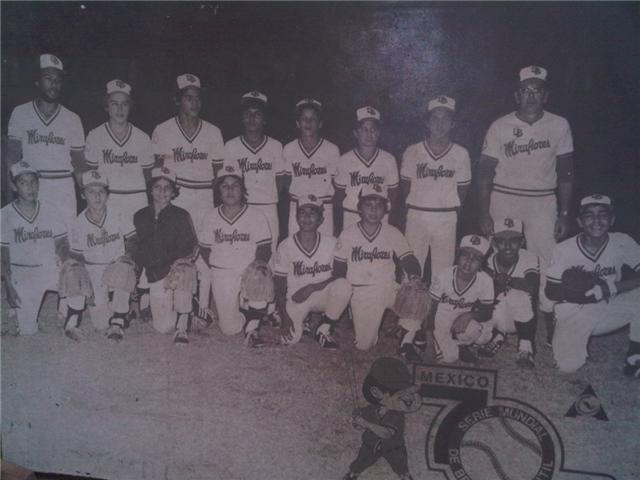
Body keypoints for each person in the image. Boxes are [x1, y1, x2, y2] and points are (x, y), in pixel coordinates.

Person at [477, 65, 574, 338]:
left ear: (546, 96)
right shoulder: (500, 125)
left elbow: (566, 174)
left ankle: (550, 315)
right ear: (516, 95)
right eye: (525, 91)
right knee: (498, 256)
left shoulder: (560, 125)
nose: (531, 96)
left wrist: (565, 213)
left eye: (537, 90)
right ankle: (495, 314)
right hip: (505, 197)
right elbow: (484, 174)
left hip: (542, 201)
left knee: (547, 259)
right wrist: (483, 212)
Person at [151, 73, 224, 325]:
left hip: (203, 199)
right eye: (188, 98)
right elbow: (157, 172)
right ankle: (176, 300)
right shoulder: (163, 130)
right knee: (174, 252)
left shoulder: (213, 132)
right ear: (177, 100)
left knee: (204, 253)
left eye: (197, 98)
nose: (194, 103)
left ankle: (202, 306)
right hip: (177, 199)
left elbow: (218, 174)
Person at [545, 195, 640, 376]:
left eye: (602, 214)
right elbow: (551, 291)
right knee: (567, 366)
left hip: (610, 306)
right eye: (589, 215)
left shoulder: (622, 241)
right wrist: (579, 291)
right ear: (579, 222)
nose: (596, 220)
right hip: (576, 311)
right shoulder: (564, 249)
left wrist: (612, 288)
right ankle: (559, 329)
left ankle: (635, 357)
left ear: (612, 220)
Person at [334, 184, 421, 353]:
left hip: (388, 287)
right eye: (368, 204)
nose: (373, 210)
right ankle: (359, 318)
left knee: (416, 298)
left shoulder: (392, 232)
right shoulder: (348, 233)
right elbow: (338, 269)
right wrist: (346, 297)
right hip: (362, 291)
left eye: (379, 205)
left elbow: (409, 259)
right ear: (359, 208)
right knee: (364, 345)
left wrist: (415, 277)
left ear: (385, 209)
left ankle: (406, 342)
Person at [0, 161, 82, 336]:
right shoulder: (5, 215)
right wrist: (8, 285)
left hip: (49, 268)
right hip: (23, 274)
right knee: (27, 331)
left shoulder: (50, 210)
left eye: (33, 182)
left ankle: (72, 315)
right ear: (14, 186)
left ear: (38, 184)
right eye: (23, 182)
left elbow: (62, 244)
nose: (30, 187)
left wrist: (69, 266)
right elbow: (3, 255)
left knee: (77, 272)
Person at [6, 54, 85, 230]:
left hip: (63, 188)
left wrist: (87, 188)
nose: (54, 84)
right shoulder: (20, 113)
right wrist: (12, 188)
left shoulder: (73, 119)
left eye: (58, 80)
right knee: (33, 237)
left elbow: (79, 161)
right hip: (32, 186)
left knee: (65, 239)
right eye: (48, 78)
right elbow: (12, 155)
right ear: (37, 81)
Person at [198, 164, 273, 347]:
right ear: (218, 191)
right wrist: (217, 269)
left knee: (260, 275)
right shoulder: (210, 216)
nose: (230, 190)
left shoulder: (256, 215)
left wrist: (256, 267)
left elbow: (265, 248)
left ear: (243, 189)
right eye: (225, 186)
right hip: (222, 272)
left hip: (249, 270)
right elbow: (205, 249)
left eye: (235, 185)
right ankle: (246, 309)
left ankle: (253, 327)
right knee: (229, 329)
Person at [400, 95, 471, 283]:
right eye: (435, 119)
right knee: (411, 269)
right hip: (417, 215)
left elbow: (463, 189)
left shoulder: (461, 153)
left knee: (444, 272)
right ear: (427, 122)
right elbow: (405, 187)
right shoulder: (413, 151)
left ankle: (439, 304)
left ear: (453, 124)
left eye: (445, 119)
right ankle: (408, 303)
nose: (440, 124)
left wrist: (449, 208)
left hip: (446, 217)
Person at [272, 194, 352, 348]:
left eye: (312, 213)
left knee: (344, 286)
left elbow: (340, 275)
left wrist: (312, 287)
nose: (307, 217)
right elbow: (279, 285)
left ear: (321, 219)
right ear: (296, 217)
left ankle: (324, 329)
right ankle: (303, 321)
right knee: (291, 339)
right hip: (296, 297)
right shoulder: (286, 245)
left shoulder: (332, 242)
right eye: (302, 213)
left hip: (323, 294)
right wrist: (284, 316)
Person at [133, 167, 198, 344]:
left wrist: (182, 262)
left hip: (175, 270)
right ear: (150, 190)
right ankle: (188, 305)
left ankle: (183, 323)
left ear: (173, 192)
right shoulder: (140, 216)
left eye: (167, 187)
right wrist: (136, 271)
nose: (162, 192)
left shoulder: (181, 215)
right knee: (162, 327)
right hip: (155, 274)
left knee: (184, 271)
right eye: (157, 187)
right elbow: (139, 248)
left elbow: (192, 245)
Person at [69, 170, 137, 342]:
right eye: (91, 191)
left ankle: (119, 319)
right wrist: (86, 286)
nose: (97, 196)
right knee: (100, 324)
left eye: (101, 191)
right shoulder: (77, 223)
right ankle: (124, 311)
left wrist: (128, 255)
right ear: (83, 195)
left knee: (123, 267)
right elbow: (77, 258)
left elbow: (133, 238)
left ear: (107, 195)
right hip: (93, 269)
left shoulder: (117, 214)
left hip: (116, 265)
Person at [219, 91, 287, 252]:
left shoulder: (276, 146)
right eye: (248, 114)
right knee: (242, 252)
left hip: (268, 208)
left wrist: (266, 195)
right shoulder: (231, 146)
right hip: (241, 207)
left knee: (269, 254)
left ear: (265, 119)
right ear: (242, 118)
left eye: (257, 114)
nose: (252, 118)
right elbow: (227, 181)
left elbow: (281, 180)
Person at [83, 79, 153, 223]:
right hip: (108, 201)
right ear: (107, 106)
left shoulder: (143, 137)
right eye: (114, 104)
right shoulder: (95, 136)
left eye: (124, 104)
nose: (120, 109)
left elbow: (148, 175)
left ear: (130, 107)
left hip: (136, 201)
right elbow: (90, 174)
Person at [343, 357, 421, 480]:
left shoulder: (396, 415)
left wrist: (365, 423)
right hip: (370, 446)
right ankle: (352, 476)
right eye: (400, 395)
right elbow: (358, 425)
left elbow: (386, 434)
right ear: (376, 392)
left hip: (393, 448)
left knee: (401, 469)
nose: (408, 399)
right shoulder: (370, 409)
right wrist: (356, 421)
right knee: (359, 464)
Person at [478, 217, 540, 368]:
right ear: (494, 242)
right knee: (477, 338)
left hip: (520, 319)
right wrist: (496, 283)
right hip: (496, 313)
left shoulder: (529, 257)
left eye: (514, 240)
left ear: (522, 242)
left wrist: (508, 281)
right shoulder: (489, 260)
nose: (507, 246)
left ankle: (526, 346)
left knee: (518, 294)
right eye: (501, 241)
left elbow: (532, 286)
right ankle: (498, 336)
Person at [428, 235, 495, 364]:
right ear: (458, 256)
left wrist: (469, 315)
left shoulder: (485, 281)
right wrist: (429, 337)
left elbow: (487, 312)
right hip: (439, 320)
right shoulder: (444, 275)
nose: (469, 262)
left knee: (481, 334)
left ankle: (458, 344)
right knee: (449, 358)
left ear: (482, 263)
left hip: (461, 319)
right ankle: (450, 345)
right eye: (465, 255)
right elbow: (430, 308)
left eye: (476, 258)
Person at [334, 106, 400, 235]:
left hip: (379, 217)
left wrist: (384, 211)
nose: (369, 134)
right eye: (364, 129)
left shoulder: (388, 159)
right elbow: (339, 195)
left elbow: (393, 193)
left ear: (379, 133)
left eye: (373, 129)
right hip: (352, 215)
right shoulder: (345, 159)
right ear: (356, 133)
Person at [282, 98, 340, 237]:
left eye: (312, 119)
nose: (308, 123)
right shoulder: (289, 149)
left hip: (324, 206)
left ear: (320, 123)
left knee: (325, 247)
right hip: (298, 207)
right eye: (304, 119)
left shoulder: (332, 149)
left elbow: (336, 184)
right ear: (298, 123)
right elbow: (286, 182)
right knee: (296, 246)